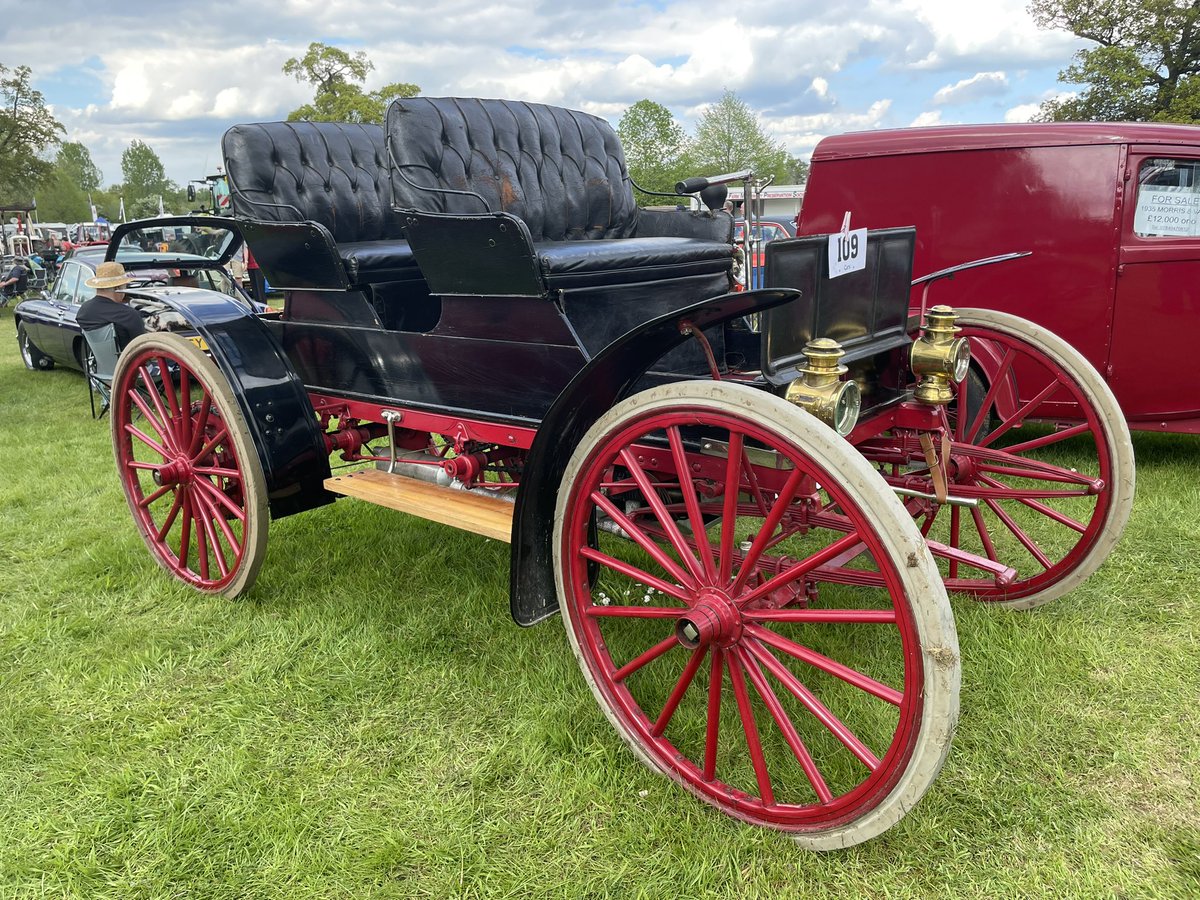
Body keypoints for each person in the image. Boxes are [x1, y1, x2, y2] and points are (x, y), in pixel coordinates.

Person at [76, 261, 146, 350]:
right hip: (127, 358)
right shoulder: (128, 315)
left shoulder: (83, 311)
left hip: (101, 359)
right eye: (125, 286)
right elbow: (144, 347)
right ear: (117, 287)